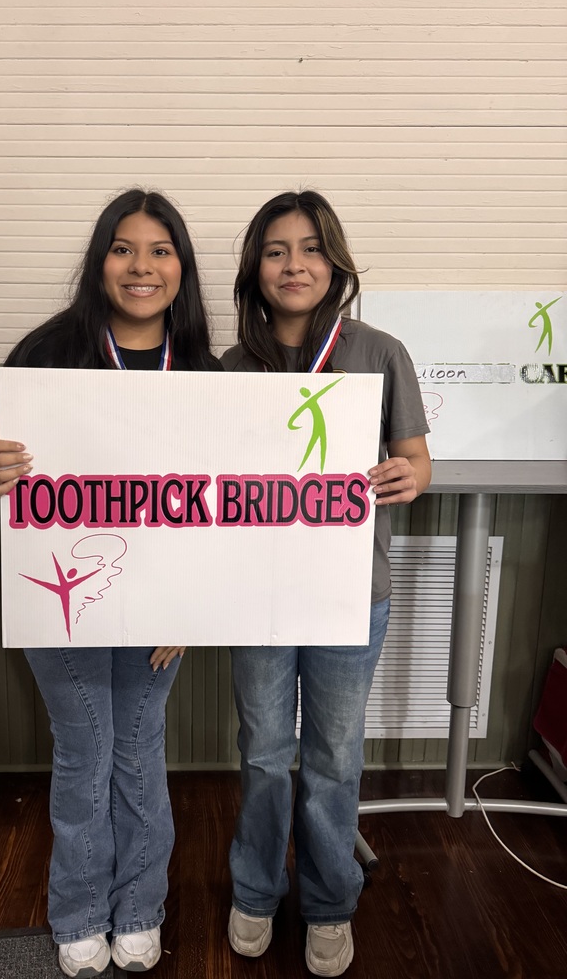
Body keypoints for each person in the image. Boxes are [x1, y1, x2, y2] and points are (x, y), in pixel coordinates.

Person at [0, 189, 221, 977]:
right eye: (123, 248)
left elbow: (222, 506)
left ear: (181, 267)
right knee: (85, 751)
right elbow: (4, 466)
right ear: (100, 260)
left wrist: (188, 606)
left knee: (139, 750)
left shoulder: (205, 372)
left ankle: (139, 910)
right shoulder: (46, 353)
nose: (141, 266)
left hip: (161, 604)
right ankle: (79, 913)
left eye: (160, 250)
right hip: (64, 594)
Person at [221, 191, 431, 977]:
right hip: (259, 594)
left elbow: (417, 459)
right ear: (256, 267)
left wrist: (408, 476)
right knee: (264, 753)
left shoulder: (380, 352)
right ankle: (255, 889)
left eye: (310, 249)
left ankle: (330, 901)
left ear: (334, 262)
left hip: (351, 590)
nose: (294, 265)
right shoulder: (231, 367)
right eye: (276, 251)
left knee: (335, 755)